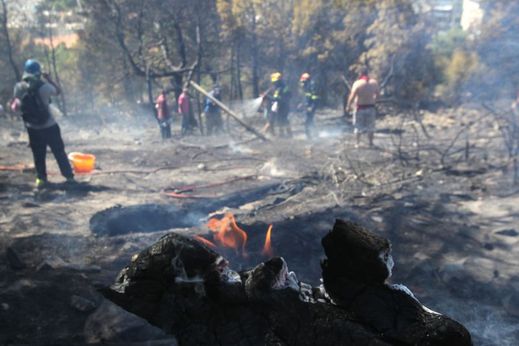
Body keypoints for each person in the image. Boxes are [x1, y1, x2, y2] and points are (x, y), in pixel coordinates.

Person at [10, 59, 75, 189]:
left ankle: (41, 179)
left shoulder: (19, 87)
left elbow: (15, 107)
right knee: (59, 152)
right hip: (49, 126)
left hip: (32, 128)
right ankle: (69, 177)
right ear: (38, 72)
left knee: (38, 154)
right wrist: (49, 79)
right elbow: (58, 91)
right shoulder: (45, 86)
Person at [346, 67, 379, 148]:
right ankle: (370, 143)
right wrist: (374, 100)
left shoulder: (357, 83)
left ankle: (357, 143)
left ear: (360, 74)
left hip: (359, 108)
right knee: (371, 127)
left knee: (358, 126)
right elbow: (378, 94)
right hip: (371, 107)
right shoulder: (374, 83)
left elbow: (352, 96)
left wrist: (348, 106)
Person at [269, 72, 292, 137]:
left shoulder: (280, 88)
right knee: (283, 119)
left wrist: (268, 97)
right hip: (284, 105)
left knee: (281, 119)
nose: (274, 84)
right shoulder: (283, 86)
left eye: (274, 82)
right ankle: (287, 133)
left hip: (282, 106)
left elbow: (276, 98)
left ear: (278, 81)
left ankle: (283, 134)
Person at [299, 72, 319, 139]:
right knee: (310, 120)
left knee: (307, 121)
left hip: (311, 106)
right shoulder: (306, 86)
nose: (302, 83)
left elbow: (315, 99)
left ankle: (309, 136)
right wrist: (302, 104)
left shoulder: (312, 86)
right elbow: (306, 97)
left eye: (303, 81)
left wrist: (311, 107)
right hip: (308, 106)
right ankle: (315, 133)